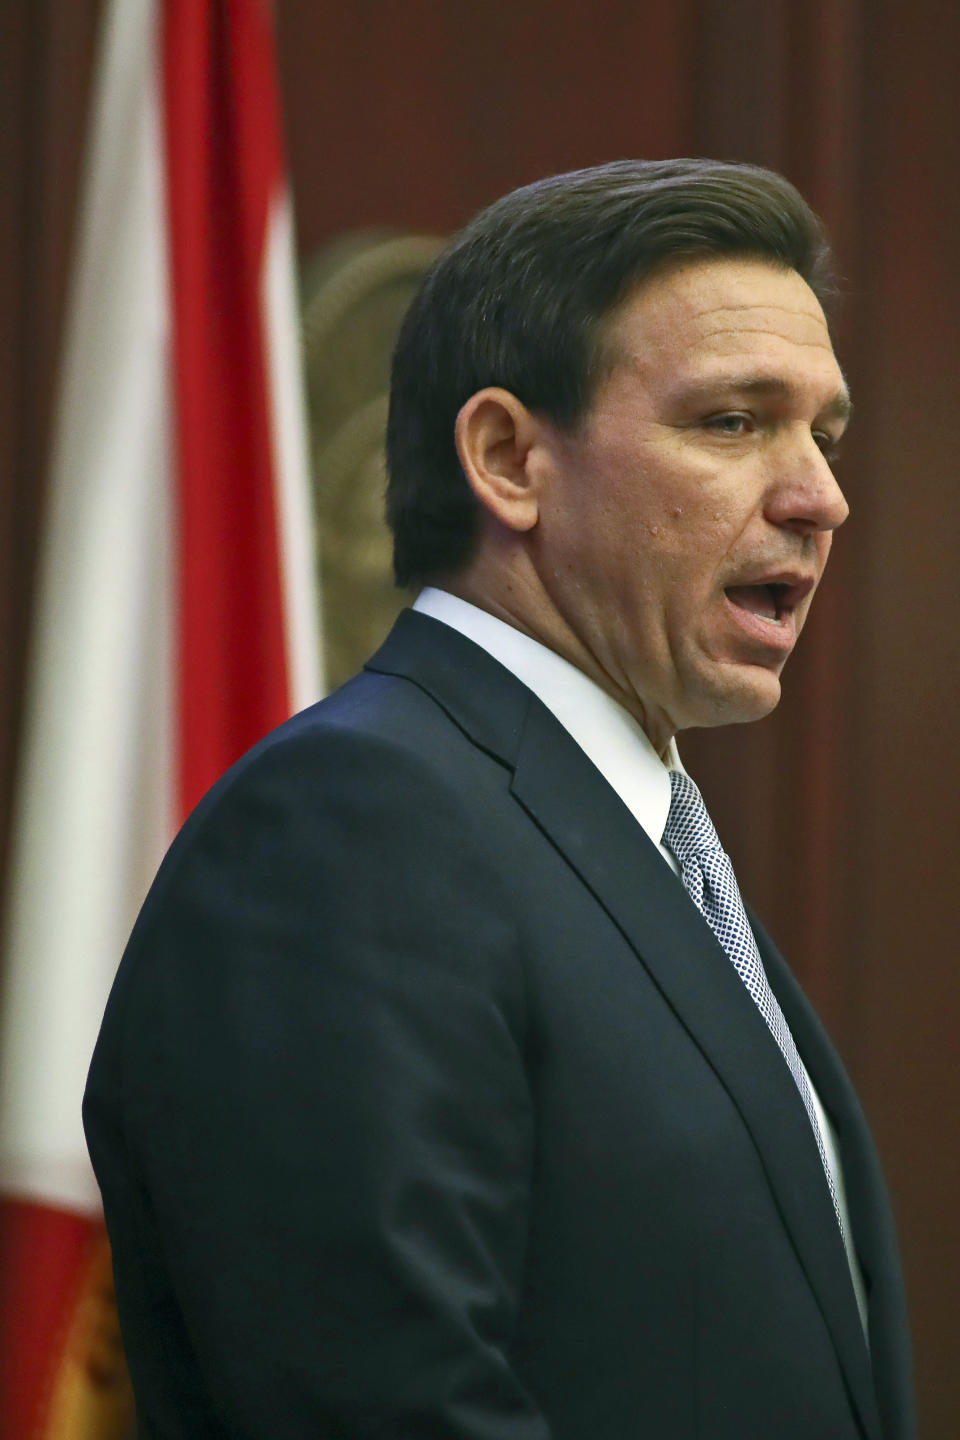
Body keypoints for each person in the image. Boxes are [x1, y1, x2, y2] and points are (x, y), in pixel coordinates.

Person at [84, 159, 915, 1439]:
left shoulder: (632, 844)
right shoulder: (351, 829)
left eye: (827, 433)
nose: (821, 495)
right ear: (509, 458)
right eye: (735, 422)